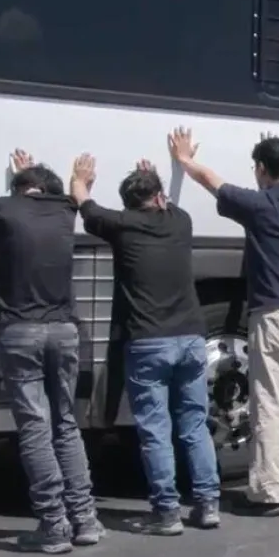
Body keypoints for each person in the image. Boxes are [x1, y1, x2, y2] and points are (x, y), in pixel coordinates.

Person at [173, 128, 279, 514]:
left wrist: (185, 161)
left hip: (275, 312)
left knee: (269, 403)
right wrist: (278, 156)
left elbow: (212, 182)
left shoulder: (258, 204)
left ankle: (268, 493)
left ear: (262, 169)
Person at [0, 151, 102, 553]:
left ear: (19, 189)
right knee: (66, 424)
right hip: (64, 330)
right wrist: (72, 178)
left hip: (21, 331)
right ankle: (86, 519)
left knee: (36, 428)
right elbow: (67, 192)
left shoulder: (4, 209)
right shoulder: (65, 211)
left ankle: (54, 526)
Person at [71, 153, 219, 534]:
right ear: (158, 197)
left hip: (149, 342)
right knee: (194, 425)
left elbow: (83, 204)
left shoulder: (120, 225)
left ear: (128, 202)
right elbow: (165, 201)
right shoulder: (181, 222)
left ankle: (167, 513)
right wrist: (153, 172)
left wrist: (81, 178)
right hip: (191, 338)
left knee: (155, 429)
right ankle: (207, 504)